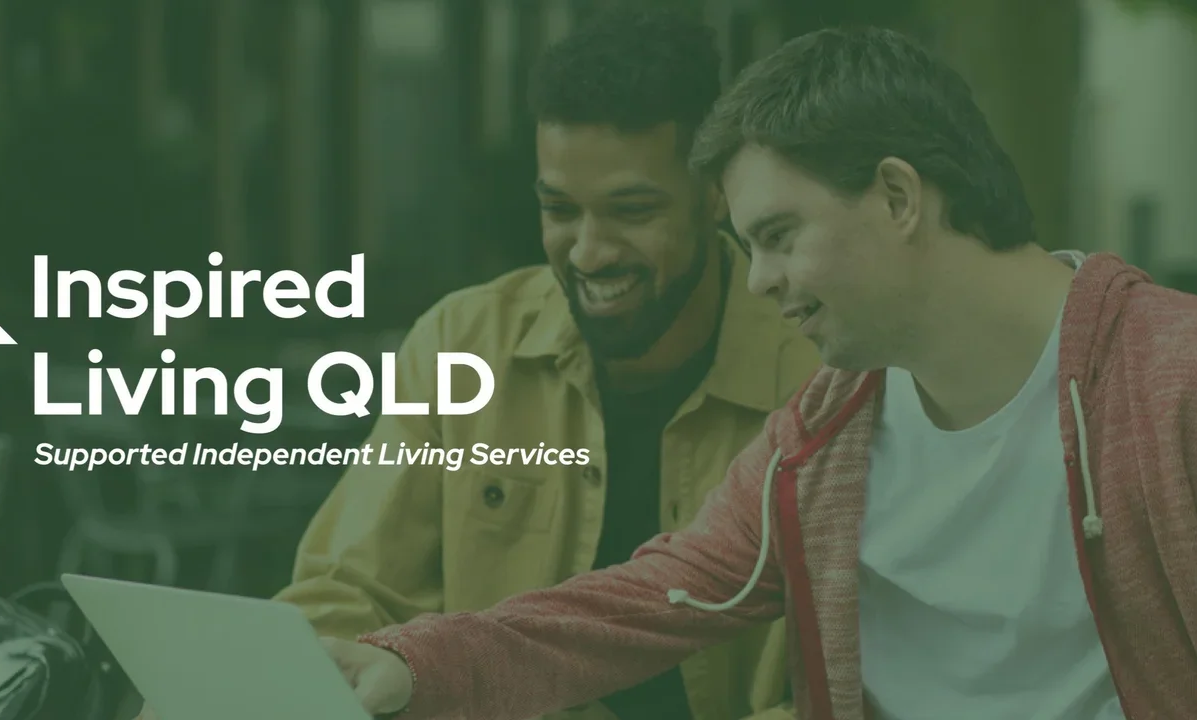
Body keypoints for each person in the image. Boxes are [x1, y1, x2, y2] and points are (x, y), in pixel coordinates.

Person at [320, 25, 1197, 720]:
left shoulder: (1183, 384)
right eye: (749, 245)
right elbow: (646, 599)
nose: (757, 280)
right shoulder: (825, 433)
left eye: (780, 237)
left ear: (899, 197)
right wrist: (417, 663)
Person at [251, 7, 812, 720]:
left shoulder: (816, 373)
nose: (588, 251)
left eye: (631, 211)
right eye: (560, 209)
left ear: (716, 197)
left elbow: (841, 684)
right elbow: (344, 592)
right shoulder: (463, 343)